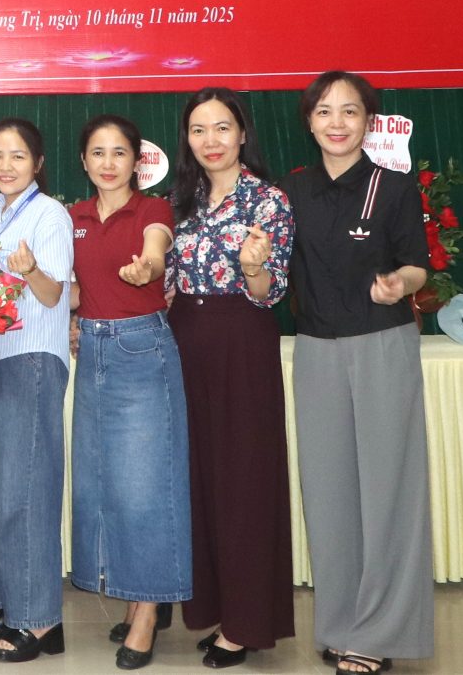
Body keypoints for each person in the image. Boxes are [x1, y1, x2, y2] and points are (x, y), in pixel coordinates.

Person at [282, 72, 434, 675]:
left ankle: (379, 633)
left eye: (350, 111)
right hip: (316, 349)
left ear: (369, 120)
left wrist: (400, 283)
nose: (337, 122)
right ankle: (341, 625)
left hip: (381, 346)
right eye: (325, 111)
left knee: (389, 492)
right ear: (309, 122)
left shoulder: (392, 187)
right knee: (327, 494)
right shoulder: (291, 191)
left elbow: (417, 265)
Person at [165, 88, 296, 669]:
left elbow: (271, 292)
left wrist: (254, 267)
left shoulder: (268, 201)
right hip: (184, 341)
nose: (211, 140)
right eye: (198, 130)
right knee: (199, 478)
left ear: (242, 134)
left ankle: (246, 623)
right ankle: (215, 610)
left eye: (222, 127)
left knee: (244, 480)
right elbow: (165, 282)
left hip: (241, 340)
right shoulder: (180, 201)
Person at [64, 113, 191, 671]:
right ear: (84, 161)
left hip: (142, 351)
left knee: (145, 488)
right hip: (92, 350)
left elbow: (155, 250)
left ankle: (147, 612)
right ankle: (136, 593)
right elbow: (71, 289)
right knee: (105, 487)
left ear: (137, 161)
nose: (108, 163)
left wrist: (148, 269)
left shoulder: (152, 209)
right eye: (98, 152)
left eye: (119, 152)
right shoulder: (73, 217)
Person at [0, 117, 74, 663]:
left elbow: (53, 296)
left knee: (25, 492)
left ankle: (40, 619)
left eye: (18, 156)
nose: (6, 166)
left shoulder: (49, 214)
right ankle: (11, 603)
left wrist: (29, 271)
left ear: (38, 163)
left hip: (32, 360)